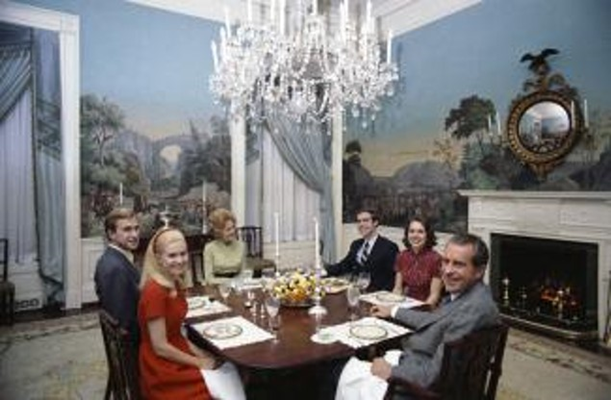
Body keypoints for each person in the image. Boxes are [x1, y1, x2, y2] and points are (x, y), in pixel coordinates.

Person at [335, 233, 500, 400]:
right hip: (424, 362)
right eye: (445, 261)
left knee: (342, 371)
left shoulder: (471, 312)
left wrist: (390, 371)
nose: (448, 270)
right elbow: (434, 320)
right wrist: (393, 311)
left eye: (458, 264)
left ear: (479, 271)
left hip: (421, 389)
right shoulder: (472, 295)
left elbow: (435, 377)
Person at [138, 227, 245, 400]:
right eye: (172, 256)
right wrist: (199, 362)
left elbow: (177, 333)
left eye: (183, 254)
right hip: (162, 368)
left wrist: (202, 353)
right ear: (158, 258)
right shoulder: (155, 291)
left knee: (226, 369)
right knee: (221, 381)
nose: (180, 260)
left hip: (176, 350)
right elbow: (160, 346)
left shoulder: (174, 282)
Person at [94, 208, 141, 346]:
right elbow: (123, 324)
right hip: (135, 346)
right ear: (111, 234)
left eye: (136, 228)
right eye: (127, 230)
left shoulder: (114, 258)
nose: (134, 234)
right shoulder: (115, 268)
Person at [326, 209, 399, 292]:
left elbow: (392, 279)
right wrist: (323, 271)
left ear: (375, 223)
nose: (361, 224)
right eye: (359, 221)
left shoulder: (389, 247)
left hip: (377, 295)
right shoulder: (356, 244)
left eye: (365, 220)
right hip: (355, 292)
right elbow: (344, 265)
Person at [392, 216, 443, 306]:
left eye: (420, 232)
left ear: (427, 235)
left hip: (427, 308)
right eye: (412, 231)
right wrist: (392, 307)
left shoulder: (436, 259)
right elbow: (398, 288)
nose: (415, 235)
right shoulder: (402, 256)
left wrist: (419, 313)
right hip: (405, 304)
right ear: (407, 234)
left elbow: (434, 295)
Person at [204, 208, 246, 285]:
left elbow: (243, 273)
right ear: (218, 232)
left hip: (237, 288)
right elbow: (209, 278)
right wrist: (230, 282)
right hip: (216, 288)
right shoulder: (209, 248)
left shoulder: (241, 246)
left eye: (233, 227)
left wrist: (236, 283)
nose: (232, 231)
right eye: (228, 229)